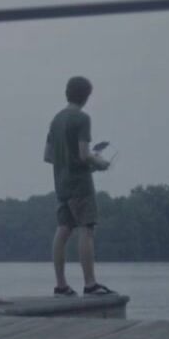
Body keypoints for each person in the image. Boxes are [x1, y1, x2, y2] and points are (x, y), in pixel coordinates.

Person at [43, 76, 115, 297]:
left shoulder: (55, 120)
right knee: (87, 229)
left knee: (63, 230)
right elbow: (84, 154)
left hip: (61, 184)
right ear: (86, 96)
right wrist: (99, 162)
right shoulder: (82, 118)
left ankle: (60, 286)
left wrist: (69, 161)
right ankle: (90, 284)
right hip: (80, 185)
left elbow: (48, 156)